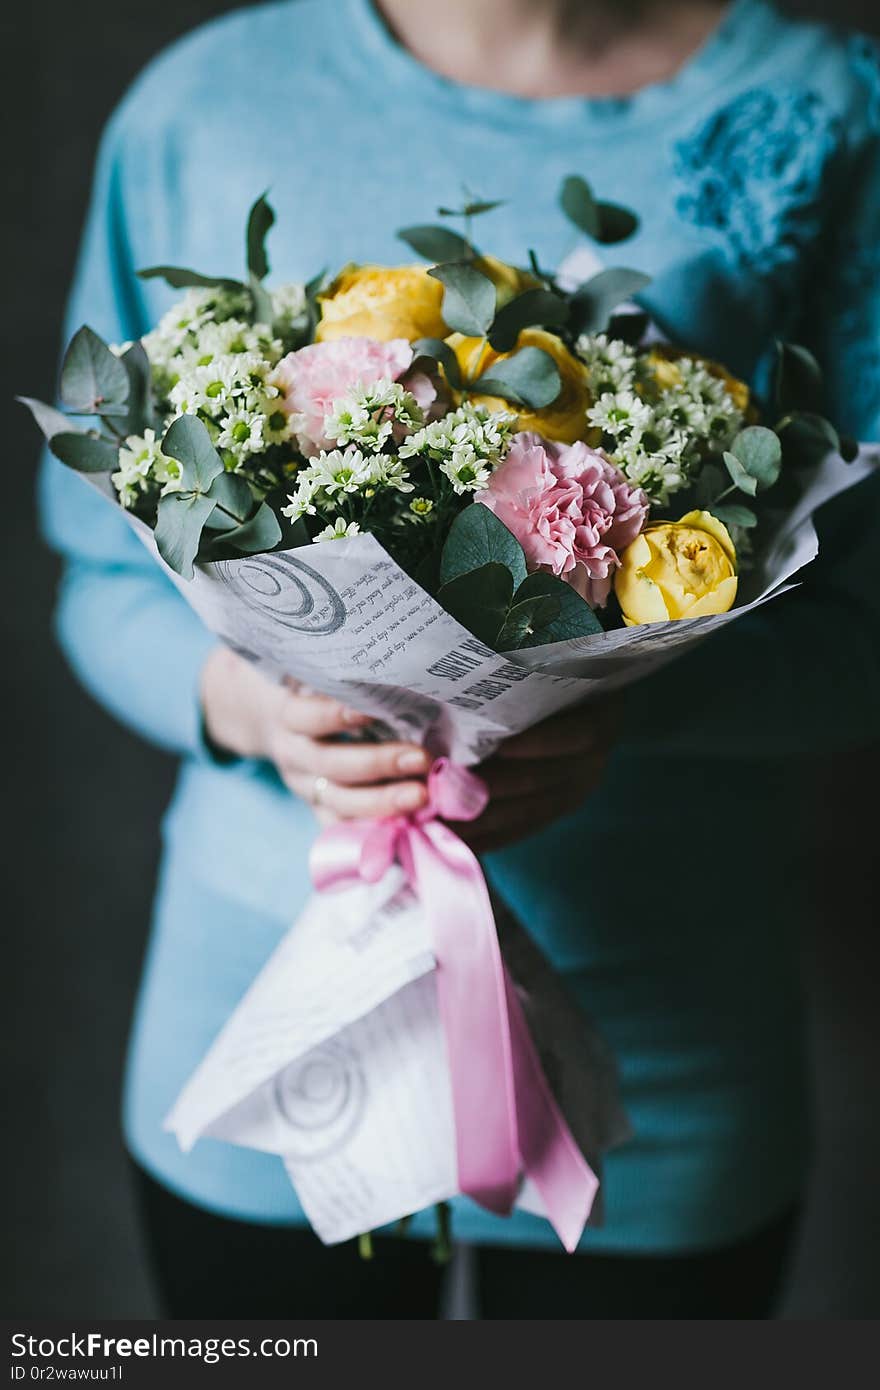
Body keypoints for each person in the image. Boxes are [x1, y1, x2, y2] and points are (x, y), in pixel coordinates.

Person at [39, 0, 880, 1318]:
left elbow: (861, 634)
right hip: (270, 1010)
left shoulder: (833, 104)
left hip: (666, 1053)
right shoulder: (201, 102)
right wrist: (252, 708)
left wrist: (626, 705)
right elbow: (93, 579)